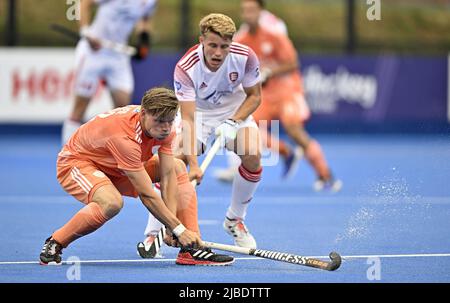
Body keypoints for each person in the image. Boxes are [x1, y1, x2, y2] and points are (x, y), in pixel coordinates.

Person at [39, 87, 234, 266]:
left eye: (170, 120)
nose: (165, 127)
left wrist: (172, 227)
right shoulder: (124, 138)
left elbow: (167, 175)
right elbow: (147, 195)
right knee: (112, 203)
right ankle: (55, 243)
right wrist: (178, 229)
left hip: (116, 165)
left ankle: (191, 250)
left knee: (177, 167)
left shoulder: (166, 126)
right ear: (143, 113)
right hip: (78, 163)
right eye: (159, 121)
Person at [140, 13, 263, 250]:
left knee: (254, 154)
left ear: (231, 43)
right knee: (173, 161)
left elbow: (255, 96)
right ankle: (154, 232)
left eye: (224, 46)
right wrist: (194, 165)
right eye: (213, 45)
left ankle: (235, 220)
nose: (218, 53)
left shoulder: (245, 57)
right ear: (201, 41)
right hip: (199, 115)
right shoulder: (186, 68)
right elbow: (187, 118)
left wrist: (234, 121)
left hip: (236, 111)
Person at [217, 0, 342, 192]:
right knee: (248, 126)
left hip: (286, 90)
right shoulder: (241, 39)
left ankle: (325, 175)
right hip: (265, 94)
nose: (248, 14)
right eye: (245, 10)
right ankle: (286, 152)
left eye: (252, 10)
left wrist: (269, 71)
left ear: (261, 11)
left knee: (294, 130)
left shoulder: (275, 33)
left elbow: (293, 63)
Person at [61, 0, 157, 145]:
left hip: (118, 55)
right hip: (93, 51)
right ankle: (67, 154)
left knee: (122, 105)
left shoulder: (150, 1)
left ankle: (112, 151)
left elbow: (145, 19)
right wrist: (85, 31)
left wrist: (143, 41)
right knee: (80, 105)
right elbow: (84, 2)